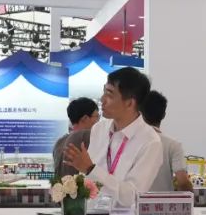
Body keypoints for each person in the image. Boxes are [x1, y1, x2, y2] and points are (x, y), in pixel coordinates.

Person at [65, 67, 162, 207]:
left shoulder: (150, 142)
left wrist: (91, 169)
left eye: (109, 94)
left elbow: (131, 196)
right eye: (104, 91)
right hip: (90, 214)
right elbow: (86, 178)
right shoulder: (99, 129)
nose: (102, 99)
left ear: (130, 103)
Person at [140, 90, 191, 192]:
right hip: (164, 201)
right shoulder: (173, 144)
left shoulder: (129, 142)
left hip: (135, 201)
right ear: (164, 115)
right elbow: (183, 182)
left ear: (140, 113)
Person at [52, 98, 100, 178]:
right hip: (81, 185)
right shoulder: (87, 136)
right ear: (85, 118)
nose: (98, 121)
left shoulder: (59, 142)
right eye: (97, 117)